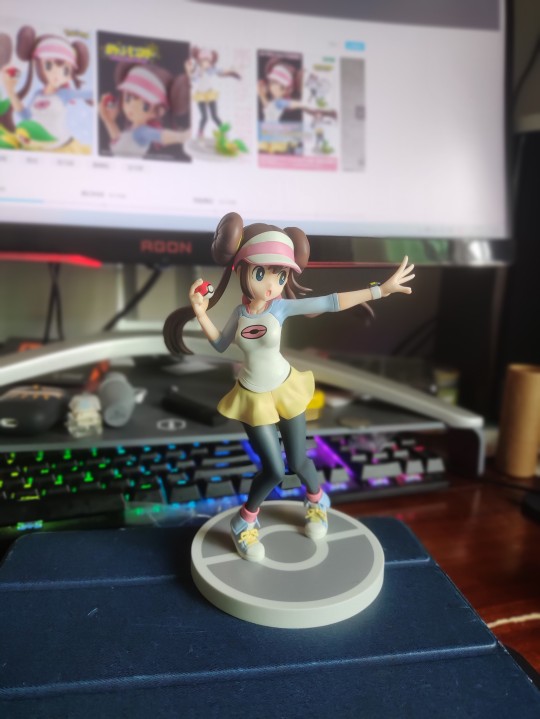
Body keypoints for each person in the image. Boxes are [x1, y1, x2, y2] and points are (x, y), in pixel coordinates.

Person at [163, 212, 414, 562]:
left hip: (285, 388)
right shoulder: (239, 314)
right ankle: (244, 521)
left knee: (298, 460)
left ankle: (317, 500)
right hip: (253, 397)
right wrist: (201, 312)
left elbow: (330, 302)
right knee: (273, 469)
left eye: (280, 276)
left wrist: (380, 290)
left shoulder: (280, 308)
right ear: (241, 269)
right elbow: (220, 345)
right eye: (262, 273)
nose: (271, 285)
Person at [1, 25, 92, 152]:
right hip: (38, 149)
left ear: (70, 75)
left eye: (65, 70)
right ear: (37, 64)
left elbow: (90, 94)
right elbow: (26, 116)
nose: (56, 74)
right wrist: (10, 89)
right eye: (49, 66)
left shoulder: (64, 94)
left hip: (62, 149)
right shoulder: (37, 94)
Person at [99, 62, 190, 158]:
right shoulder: (132, 130)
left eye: (145, 106)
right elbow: (118, 141)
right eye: (128, 99)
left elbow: (160, 135)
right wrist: (108, 120)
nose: (132, 108)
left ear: (158, 112)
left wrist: (181, 137)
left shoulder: (142, 132)